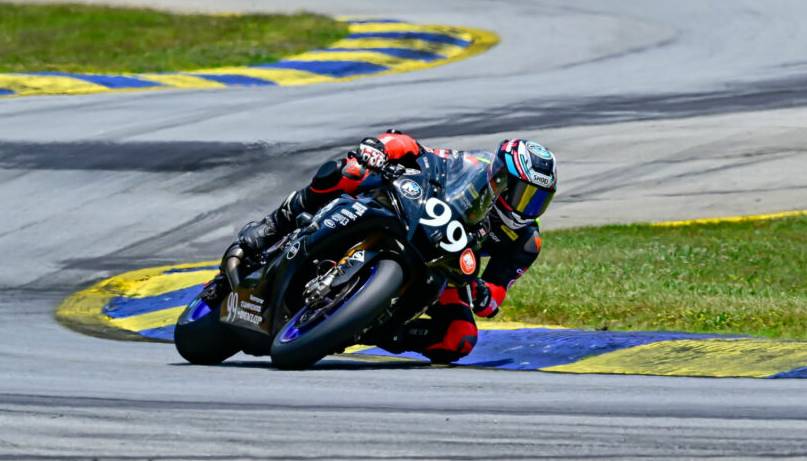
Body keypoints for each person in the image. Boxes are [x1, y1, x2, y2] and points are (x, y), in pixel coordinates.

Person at [202, 131, 557, 363]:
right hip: (412, 213)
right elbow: (417, 149)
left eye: (538, 199)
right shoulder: (472, 168)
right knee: (351, 171)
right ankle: (273, 226)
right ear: (499, 179)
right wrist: (381, 148)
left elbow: (497, 291)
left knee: (459, 339)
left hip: (445, 267)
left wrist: (482, 294)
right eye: (522, 193)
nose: (527, 206)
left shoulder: (526, 241)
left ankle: (382, 328)